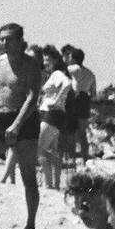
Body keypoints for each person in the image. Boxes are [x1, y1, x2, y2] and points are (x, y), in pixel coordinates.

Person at [0, 23, 43, 229]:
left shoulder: (31, 64)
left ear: (20, 41)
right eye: (1, 38)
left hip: (25, 121)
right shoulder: (0, 62)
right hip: (0, 118)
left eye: (8, 38)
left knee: (28, 176)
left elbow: (32, 97)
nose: (3, 42)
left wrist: (16, 125)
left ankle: (30, 223)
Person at [37, 45, 69, 189]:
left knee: (39, 148)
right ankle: (53, 184)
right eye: (44, 60)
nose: (45, 63)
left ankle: (50, 184)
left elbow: (66, 84)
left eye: (48, 60)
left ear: (56, 60)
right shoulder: (55, 73)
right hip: (56, 115)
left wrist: (56, 100)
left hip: (52, 115)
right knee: (50, 150)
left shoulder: (57, 73)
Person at [61, 43, 96, 165]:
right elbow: (94, 93)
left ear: (73, 58)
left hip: (73, 99)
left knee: (68, 130)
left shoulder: (71, 69)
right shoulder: (90, 73)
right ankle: (85, 158)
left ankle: (69, 157)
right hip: (85, 100)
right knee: (82, 133)